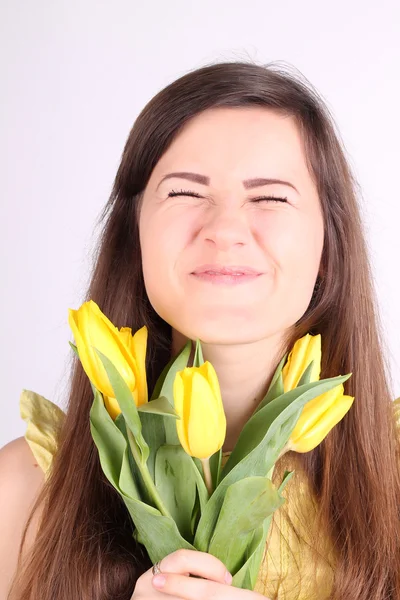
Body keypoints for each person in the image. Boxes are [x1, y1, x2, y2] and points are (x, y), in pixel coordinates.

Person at [1, 60, 399, 600]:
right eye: (186, 193)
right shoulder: (24, 488)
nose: (226, 229)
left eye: (270, 197)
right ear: (134, 235)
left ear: (329, 245)